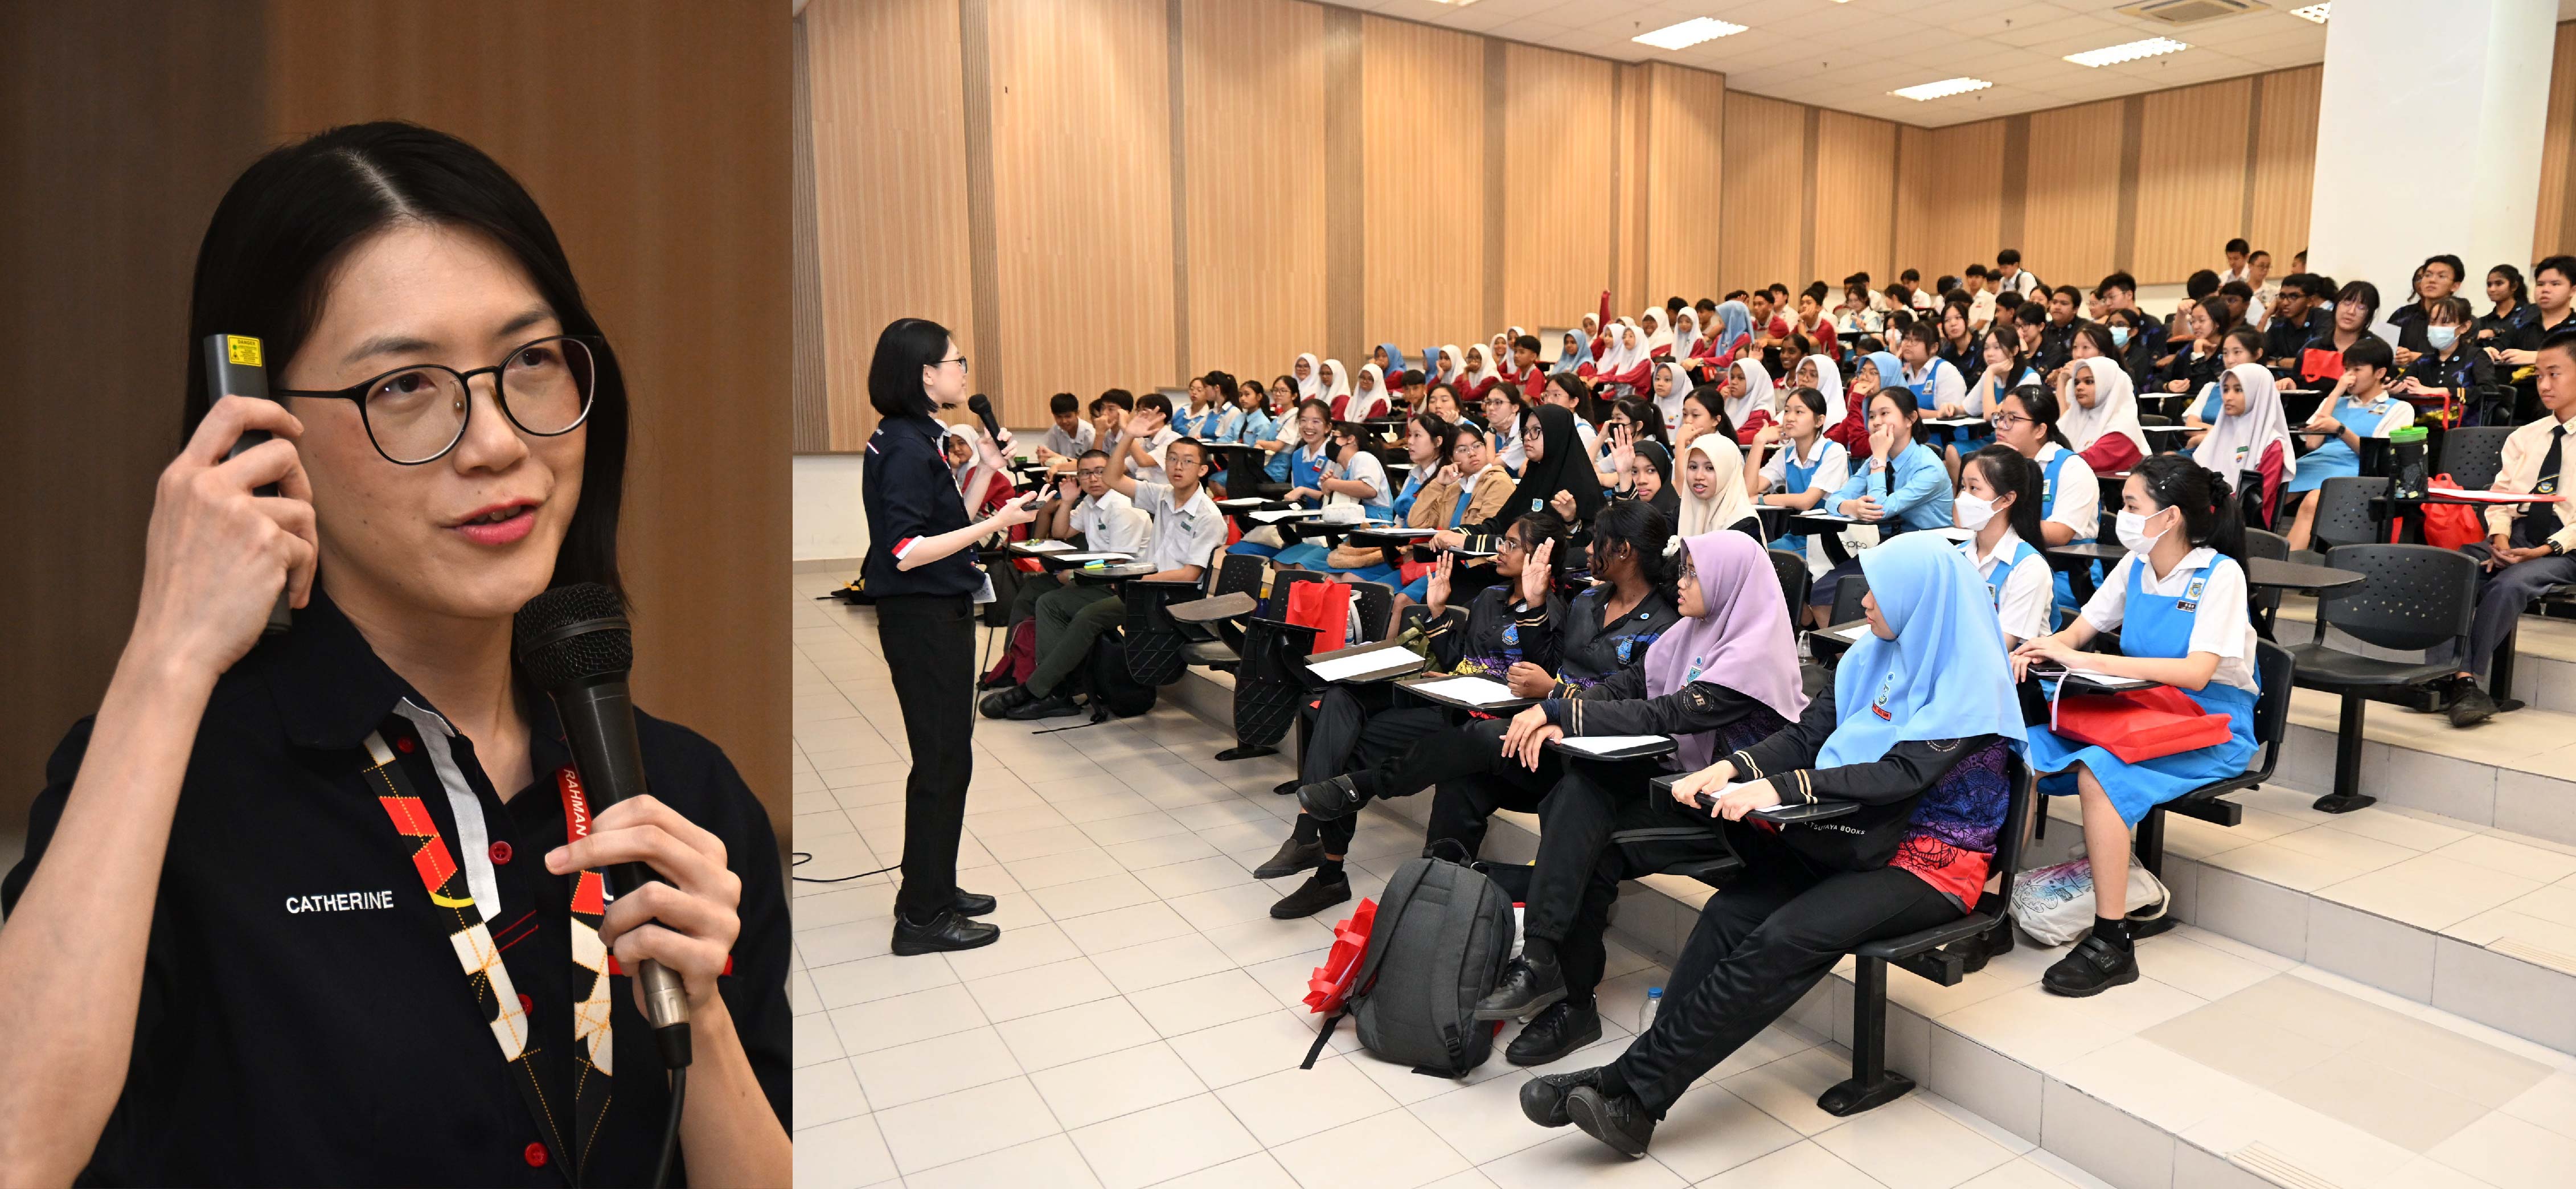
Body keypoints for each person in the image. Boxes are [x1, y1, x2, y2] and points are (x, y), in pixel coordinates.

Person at [0, 122, 794, 1185]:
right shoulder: (169, 792)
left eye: (530, 361)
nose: (498, 442)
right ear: (259, 435)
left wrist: (700, 1010)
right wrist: (169, 653)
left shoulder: (684, 794)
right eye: (405, 386)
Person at [1524, 533, 2024, 1157]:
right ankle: (1634, 1096)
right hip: (1852, 835)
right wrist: (1736, 768)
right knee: (1728, 916)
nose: (1865, 602)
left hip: (1930, 862)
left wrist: (1783, 787)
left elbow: (1900, 775)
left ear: (1920, 600)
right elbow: (1805, 738)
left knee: (1784, 937)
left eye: (1878, 590)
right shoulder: (1868, 657)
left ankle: (1627, 1086)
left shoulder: (1973, 680)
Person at [1355, 530, 1804, 1065]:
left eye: (1692, 573)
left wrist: (1560, 712)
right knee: (1578, 790)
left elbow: (1668, 713)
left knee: (1593, 846)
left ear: (1728, 584)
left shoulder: (1753, 654)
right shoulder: (1691, 633)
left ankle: (1568, 996)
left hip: (1734, 816)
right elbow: (1627, 686)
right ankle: (1545, 965)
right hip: (1676, 785)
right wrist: (1562, 711)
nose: (1680, 582)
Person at [2012, 454, 2260, 996]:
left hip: (2213, 723)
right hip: (2143, 707)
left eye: (2129, 504)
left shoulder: (2220, 574)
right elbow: (2081, 631)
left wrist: (2092, 660)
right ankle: (1989, 907)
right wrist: (2044, 647)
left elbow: (2197, 673)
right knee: (2020, 751)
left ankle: (2113, 941)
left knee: (2099, 772)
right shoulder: (2136, 564)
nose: (2118, 515)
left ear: (2170, 516)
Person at [1257, 512, 1578, 917]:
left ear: (1540, 558)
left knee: (1355, 750)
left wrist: (1535, 605)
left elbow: (1543, 675)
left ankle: (1326, 867)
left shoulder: (1555, 612)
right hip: (1451, 699)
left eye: (1512, 545)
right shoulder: (1489, 597)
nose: (1501, 549)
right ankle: (1312, 841)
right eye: (1503, 541)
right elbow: (1460, 661)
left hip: (1483, 722)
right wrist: (1438, 612)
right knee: (1341, 698)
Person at [983, 437, 1224, 721]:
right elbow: (1113, 478)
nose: (1178, 467)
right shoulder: (1163, 496)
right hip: (1139, 586)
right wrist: (1129, 435)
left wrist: (1133, 579)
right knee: (1049, 601)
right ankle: (1050, 688)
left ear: (1203, 470)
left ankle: (1037, 690)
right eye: (1172, 459)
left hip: (1170, 596)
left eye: (1187, 461)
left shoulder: (1208, 515)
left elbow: (1189, 575)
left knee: (1087, 615)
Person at [2435, 330, 2576, 725]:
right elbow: (2501, 498)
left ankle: (2463, 680)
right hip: (2516, 535)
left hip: (2565, 547)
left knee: (2509, 584)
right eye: (2539, 376)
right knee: (2451, 568)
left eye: (2555, 374)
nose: (2544, 385)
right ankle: (2446, 676)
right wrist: (2499, 538)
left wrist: (2543, 550)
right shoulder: (2525, 436)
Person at [2283, 337, 2414, 550]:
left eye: (2357, 370)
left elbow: (2378, 458)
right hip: (2317, 462)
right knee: (2266, 494)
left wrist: (2341, 430)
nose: (2349, 377)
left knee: (2314, 500)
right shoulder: (2334, 401)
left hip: (2355, 469)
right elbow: (2312, 444)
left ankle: (2284, 563)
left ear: (2380, 373)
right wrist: (2336, 392)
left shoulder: (2399, 408)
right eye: (2346, 370)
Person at [1956, 445, 2056, 646]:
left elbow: (2001, 647)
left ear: (2006, 499)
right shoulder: (1956, 555)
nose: (1963, 498)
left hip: (2006, 664)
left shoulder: (2030, 567)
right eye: (1963, 487)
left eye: (1974, 488)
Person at [2192, 363, 2294, 530]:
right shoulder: (2219, 434)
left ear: (2258, 393)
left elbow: (2251, 501)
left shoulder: (2272, 445)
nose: (2228, 397)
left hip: (2243, 527)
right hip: (2206, 516)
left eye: (2238, 390)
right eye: (2226, 390)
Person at [2399, 294, 2499, 425]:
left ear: (2464, 327)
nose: (2437, 328)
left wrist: (2445, 392)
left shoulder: (2476, 356)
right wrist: (2395, 388)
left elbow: (2489, 391)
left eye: (2445, 322)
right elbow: (2404, 383)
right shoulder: (2424, 361)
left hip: (2463, 431)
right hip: (2423, 430)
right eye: (2433, 322)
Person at [2060, 354, 2149, 477]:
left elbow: (2084, 462)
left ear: (2108, 386)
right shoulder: (2074, 418)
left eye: (2089, 382)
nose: (2079, 387)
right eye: (2076, 383)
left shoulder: (2123, 429)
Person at [2295, 280, 2381, 390]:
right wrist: (2290, 383)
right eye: (2347, 303)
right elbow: (2297, 385)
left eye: (2361, 307)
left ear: (2370, 314)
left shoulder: (2376, 352)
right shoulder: (2313, 348)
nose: (2351, 312)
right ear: (2336, 305)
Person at [1035, 390, 1094, 463]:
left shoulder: (1091, 434)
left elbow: (1090, 464)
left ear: (1077, 413)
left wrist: (1054, 456)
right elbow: (1045, 449)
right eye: (1059, 417)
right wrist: (1042, 455)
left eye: (1068, 416)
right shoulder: (1056, 429)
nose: (1064, 421)